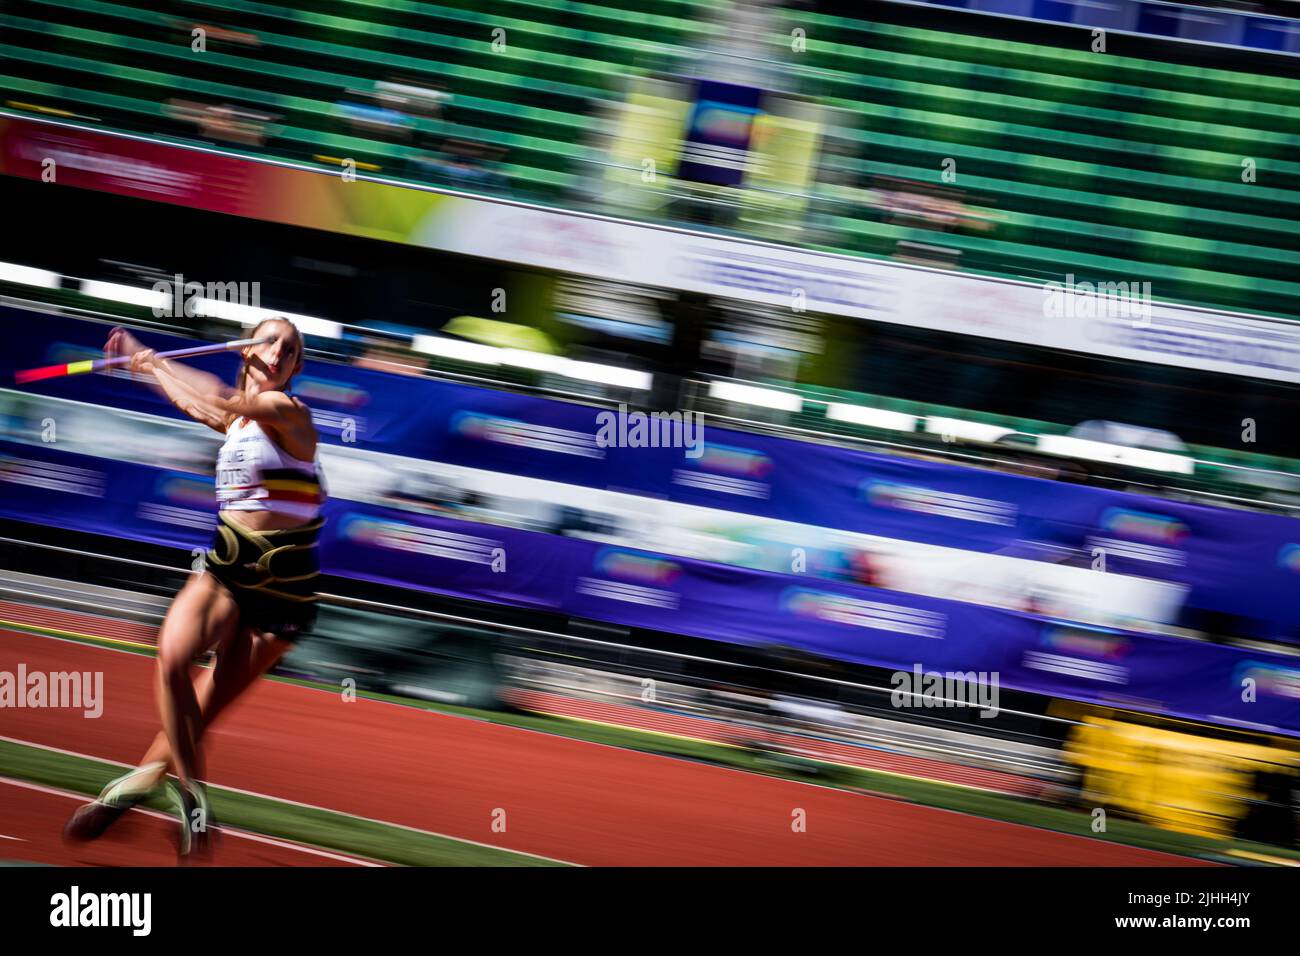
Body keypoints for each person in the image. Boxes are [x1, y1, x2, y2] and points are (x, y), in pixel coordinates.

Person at [64, 317, 326, 857]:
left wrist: (153, 358)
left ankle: (136, 784)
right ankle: (194, 800)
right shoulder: (236, 425)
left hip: (284, 590)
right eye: (269, 340)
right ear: (247, 349)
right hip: (231, 570)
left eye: (290, 349)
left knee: (199, 711)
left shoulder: (291, 413)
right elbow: (199, 404)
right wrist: (144, 364)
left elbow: (221, 396)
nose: (279, 351)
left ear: (296, 367)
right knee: (172, 657)